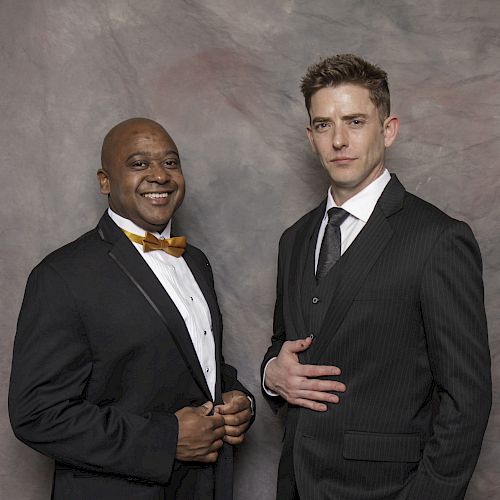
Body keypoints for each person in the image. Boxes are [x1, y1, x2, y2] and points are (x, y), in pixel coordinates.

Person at [261, 54, 491, 499]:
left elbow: (467, 400)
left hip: (388, 489)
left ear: (388, 129)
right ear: (311, 137)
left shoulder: (438, 239)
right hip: (296, 484)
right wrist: (272, 373)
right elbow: (287, 342)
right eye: (324, 125)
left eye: (355, 121)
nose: (339, 140)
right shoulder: (294, 239)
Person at [9, 117, 254, 500]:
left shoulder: (197, 262)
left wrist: (239, 400)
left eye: (170, 162)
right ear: (105, 181)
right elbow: (37, 414)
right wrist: (165, 439)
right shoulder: (61, 275)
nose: (160, 175)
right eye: (139, 164)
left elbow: (194, 363)